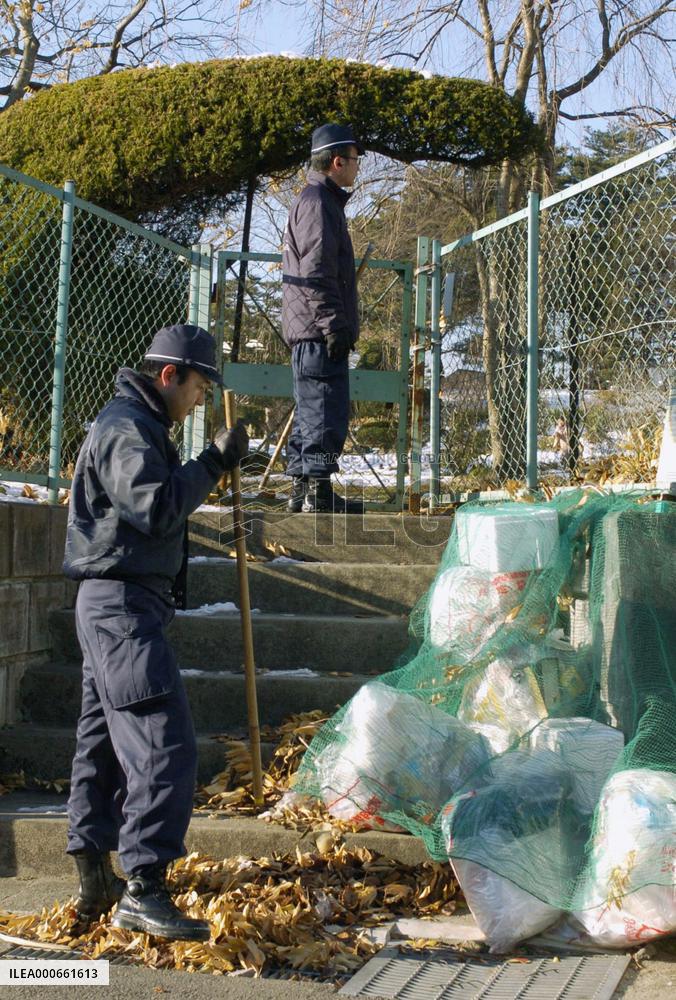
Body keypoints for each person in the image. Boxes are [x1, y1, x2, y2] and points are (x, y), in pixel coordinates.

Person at [62, 324, 248, 941]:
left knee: (101, 744)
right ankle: (144, 887)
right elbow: (156, 506)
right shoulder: (127, 428)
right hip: (121, 607)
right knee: (164, 743)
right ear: (169, 375)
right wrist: (212, 462)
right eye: (197, 388)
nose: (198, 401)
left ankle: (96, 880)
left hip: (114, 603)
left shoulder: (134, 425)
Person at [282, 122, 364, 513]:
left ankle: (302, 492)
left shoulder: (313, 200)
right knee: (325, 411)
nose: (358, 166)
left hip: (307, 329)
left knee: (311, 410)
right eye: (355, 159)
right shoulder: (318, 203)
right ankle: (318, 493)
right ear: (337, 162)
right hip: (318, 330)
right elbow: (315, 271)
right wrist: (334, 325)